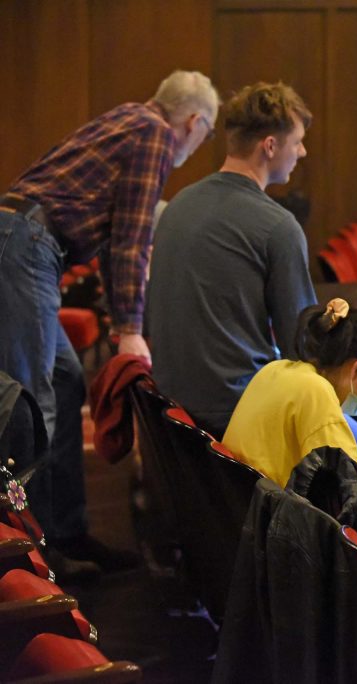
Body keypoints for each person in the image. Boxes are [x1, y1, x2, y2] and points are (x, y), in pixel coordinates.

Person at [0, 70, 219, 575]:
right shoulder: (155, 135)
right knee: (33, 408)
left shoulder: (128, 117)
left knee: (65, 381)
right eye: (205, 134)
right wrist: (129, 329)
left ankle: (66, 535)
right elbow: (131, 237)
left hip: (23, 240)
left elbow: (111, 230)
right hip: (25, 245)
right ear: (195, 122)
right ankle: (26, 561)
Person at [147, 81, 315, 439]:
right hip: (240, 415)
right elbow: (304, 351)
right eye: (297, 141)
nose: (302, 152)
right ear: (270, 146)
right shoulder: (279, 227)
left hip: (170, 412)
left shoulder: (176, 208)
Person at [223, 299, 357, 499]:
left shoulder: (276, 369)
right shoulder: (316, 393)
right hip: (272, 519)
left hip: (241, 504)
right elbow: (349, 501)